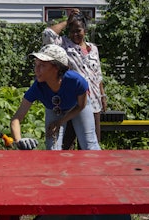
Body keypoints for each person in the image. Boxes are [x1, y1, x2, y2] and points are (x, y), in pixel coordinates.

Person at [10, 44, 101, 151]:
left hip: (77, 107)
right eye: (36, 64)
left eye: (42, 65)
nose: (36, 69)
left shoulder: (76, 81)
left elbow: (81, 106)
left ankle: (97, 166)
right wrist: (19, 140)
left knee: (89, 145)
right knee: (52, 148)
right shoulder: (37, 87)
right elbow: (16, 119)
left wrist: (60, 122)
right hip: (54, 109)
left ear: (57, 68)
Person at [42, 9, 107, 149]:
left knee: (90, 144)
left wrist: (103, 96)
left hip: (93, 102)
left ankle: (89, 170)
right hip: (72, 102)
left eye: (78, 30)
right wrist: (67, 20)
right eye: (72, 31)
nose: (75, 34)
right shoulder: (64, 45)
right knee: (67, 144)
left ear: (85, 30)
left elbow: (98, 74)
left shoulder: (93, 48)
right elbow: (48, 35)